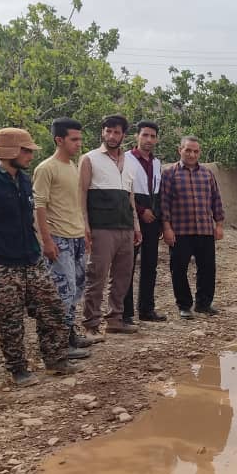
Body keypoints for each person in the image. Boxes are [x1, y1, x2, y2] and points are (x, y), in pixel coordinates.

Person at [0, 128, 85, 387]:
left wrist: (37, 249)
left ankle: (56, 360)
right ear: (10, 152)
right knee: (10, 320)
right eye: (25, 150)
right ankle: (18, 370)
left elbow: (29, 220)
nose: (30, 155)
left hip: (31, 259)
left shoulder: (25, 181)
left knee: (51, 309)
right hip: (3, 266)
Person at [32, 118, 96, 357]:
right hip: (58, 239)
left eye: (80, 138)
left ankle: (69, 335)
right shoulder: (46, 168)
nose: (79, 144)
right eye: (74, 139)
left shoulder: (72, 166)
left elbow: (76, 203)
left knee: (77, 288)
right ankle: (59, 346)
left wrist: (84, 232)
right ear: (59, 140)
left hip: (76, 236)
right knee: (63, 291)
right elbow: (39, 206)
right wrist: (47, 241)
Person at [80, 114, 141, 337]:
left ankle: (115, 319)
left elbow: (130, 196)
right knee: (97, 275)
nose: (112, 136)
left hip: (125, 227)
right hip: (101, 227)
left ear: (124, 135)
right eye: (108, 131)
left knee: (123, 276)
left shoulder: (129, 162)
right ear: (102, 132)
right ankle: (91, 324)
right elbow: (81, 194)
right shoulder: (89, 159)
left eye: (116, 132)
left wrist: (136, 226)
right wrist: (85, 225)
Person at [161, 136, 225, 319]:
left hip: (205, 230)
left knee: (207, 268)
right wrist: (167, 228)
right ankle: (184, 305)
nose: (192, 154)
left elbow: (216, 200)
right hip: (180, 231)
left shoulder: (207, 174)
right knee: (179, 269)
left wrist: (219, 224)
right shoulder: (169, 173)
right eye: (188, 150)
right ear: (179, 150)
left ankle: (204, 304)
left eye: (196, 151)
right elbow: (164, 204)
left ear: (200, 153)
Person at [123, 120, 166, 323]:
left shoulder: (157, 163)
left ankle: (146, 309)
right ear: (136, 136)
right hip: (132, 216)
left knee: (150, 265)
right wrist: (140, 212)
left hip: (153, 218)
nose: (149, 139)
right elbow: (123, 192)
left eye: (152, 136)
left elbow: (158, 192)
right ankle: (126, 313)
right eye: (145, 135)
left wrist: (157, 218)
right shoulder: (125, 159)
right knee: (128, 265)